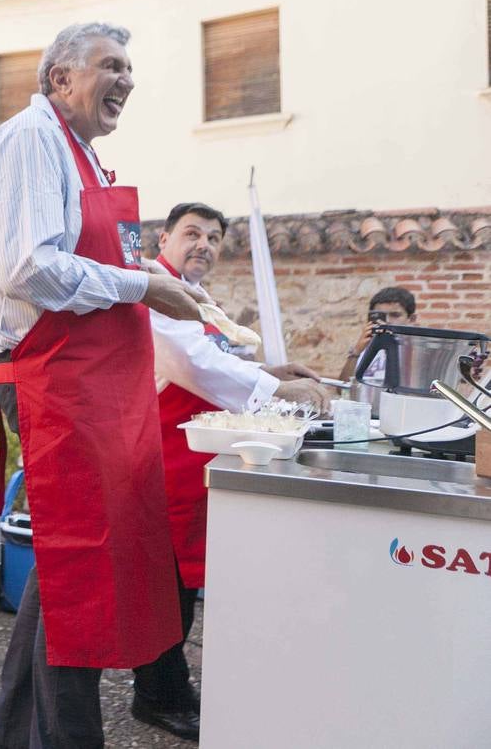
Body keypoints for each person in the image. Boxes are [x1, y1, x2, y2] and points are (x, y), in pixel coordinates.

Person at [0, 22, 202, 749]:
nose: (127, 81)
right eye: (112, 66)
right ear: (59, 80)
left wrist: (152, 285)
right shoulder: (30, 141)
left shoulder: (85, 159)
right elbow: (27, 268)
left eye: (131, 68)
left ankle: (25, 736)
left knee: (76, 569)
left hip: (90, 382)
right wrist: (141, 286)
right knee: (78, 566)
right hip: (53, 378)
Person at [129, 201, 333, 739]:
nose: (204, 245)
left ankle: (172, 690)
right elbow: (188, 363)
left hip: (191, 457)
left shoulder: (195, 297)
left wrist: (265, 370)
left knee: (181, 588)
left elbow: (215, 355)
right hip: (160, 457)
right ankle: (157, 696)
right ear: (165, 239)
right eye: (192, 234)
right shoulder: (156, 291)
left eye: (214, 238)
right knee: (166, 589)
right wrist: (276, 390)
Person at [338, 287, 418, 384]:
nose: (388, 320)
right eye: (381, 315)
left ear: (411, 319)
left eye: (395, 315)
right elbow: (343, 388)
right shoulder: (365, 347)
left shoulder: (417, 350)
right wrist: (356, 351)